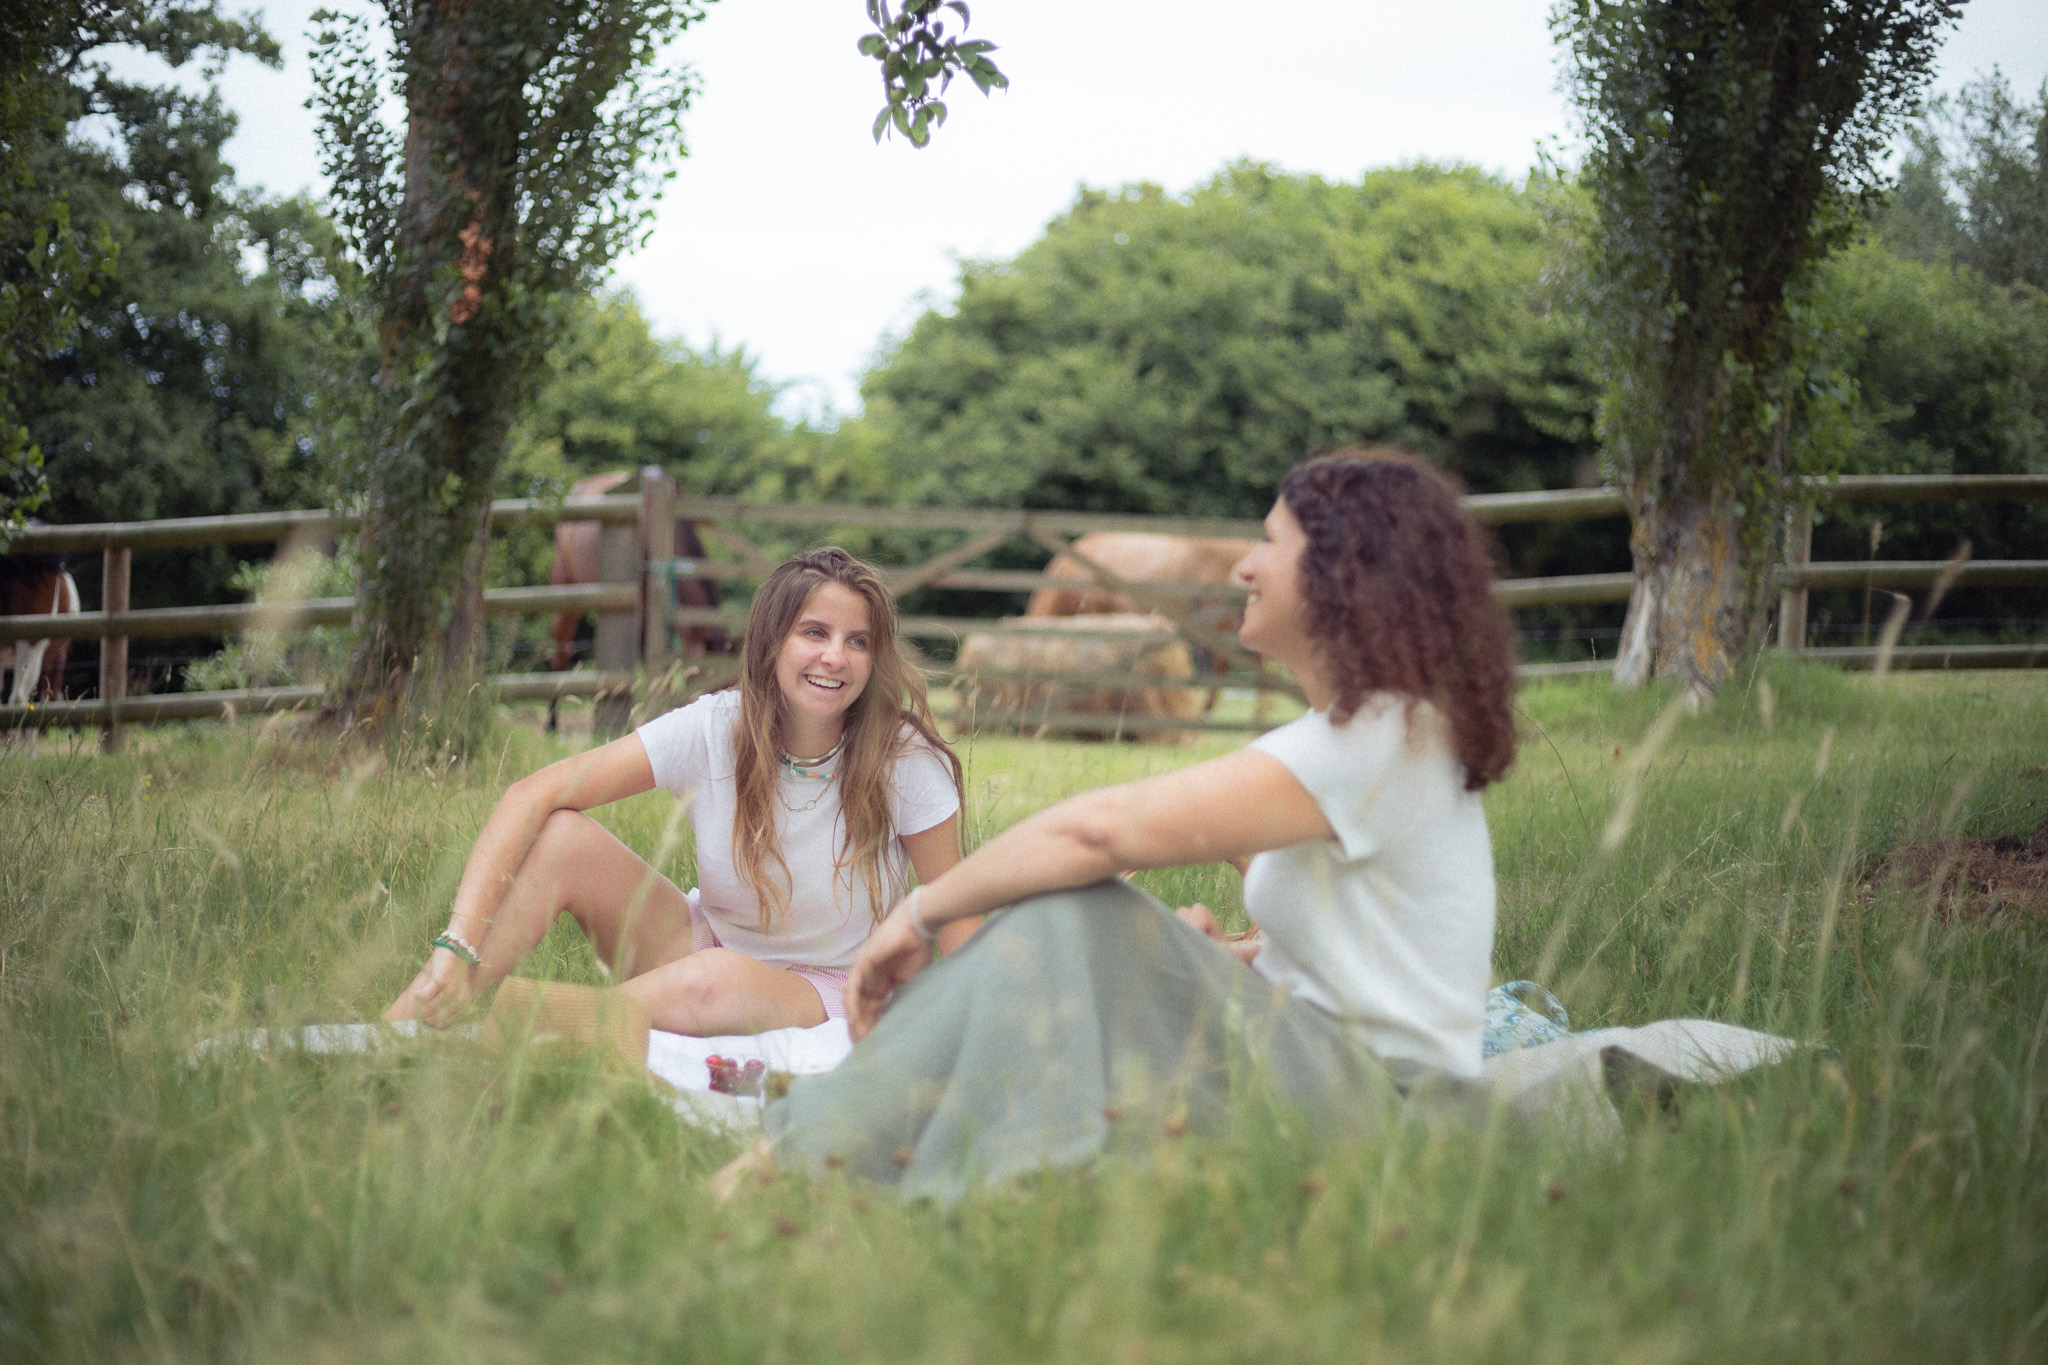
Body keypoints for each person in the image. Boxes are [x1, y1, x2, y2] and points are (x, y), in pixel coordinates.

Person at [732, 450, 1519, 1201]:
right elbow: (1369, 960)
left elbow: (1098, 832)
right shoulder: (1374, 734)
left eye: (1270, 542)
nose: (1243, 567)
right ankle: (878, 1142)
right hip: (1327, 1074)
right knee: (1101, 928)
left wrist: (919, 912)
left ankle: (808, 1149)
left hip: (1379, 1105)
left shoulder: (1376, 740)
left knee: (1077, 908)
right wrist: (1228, 957)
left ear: (1341, 569)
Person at [384, 548, 973, 1036]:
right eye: (814, 632)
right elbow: (531, 795)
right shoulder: (715, 727)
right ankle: (417, 1014)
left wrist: (982, 1030)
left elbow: (954, 908)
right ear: (772, 643)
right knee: (563, 837)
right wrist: (455, 945)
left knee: (713, 981)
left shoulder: (903, 758)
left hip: (833, 986)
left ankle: (538, 1026)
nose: (835, 657)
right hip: (706, 944)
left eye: (858, 641)